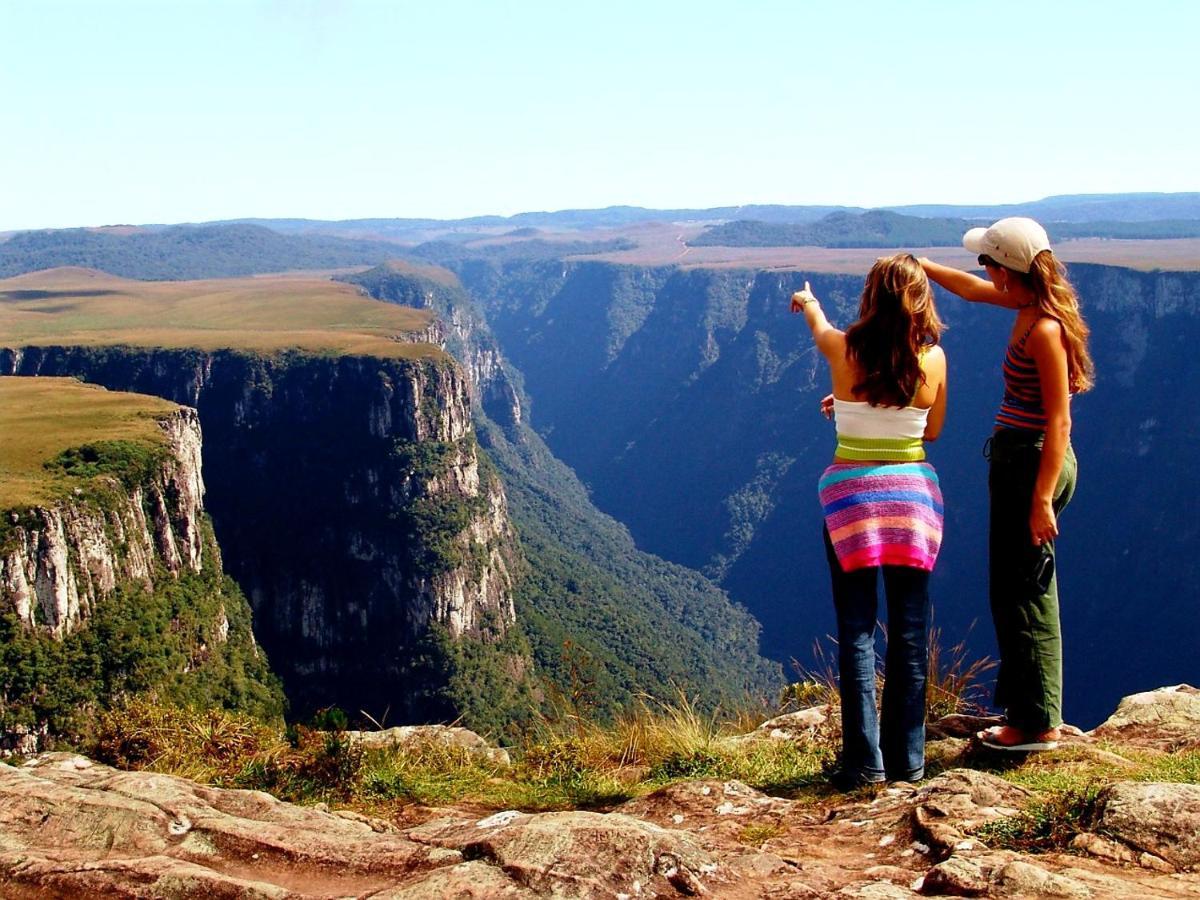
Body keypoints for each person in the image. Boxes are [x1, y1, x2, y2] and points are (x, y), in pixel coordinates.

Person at [918, 218, 1094, 751]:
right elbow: (971, 289)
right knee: (1019, 587)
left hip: (1033, 464)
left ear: (1006, 268)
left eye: (986, 261)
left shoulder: (1042, 329)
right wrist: (920, 266)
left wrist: (1042, 500)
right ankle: (1033, 713)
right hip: (1021, 462)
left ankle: (1034, 723)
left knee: (1024, 593)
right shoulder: (1026, 307)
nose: (982, 272)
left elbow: (1059, 421)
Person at [792, 254, 947, 788]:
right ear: (920, 300)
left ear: (871, 297)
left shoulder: (844, 350)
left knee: (856, 630)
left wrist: (809, 300)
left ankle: (863, 764)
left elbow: (820, 326)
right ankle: (910, 763)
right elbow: (930, 431)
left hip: (851, 501)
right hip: (912, 502)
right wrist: (866, 411)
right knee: (909, 632)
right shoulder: (935, 360)